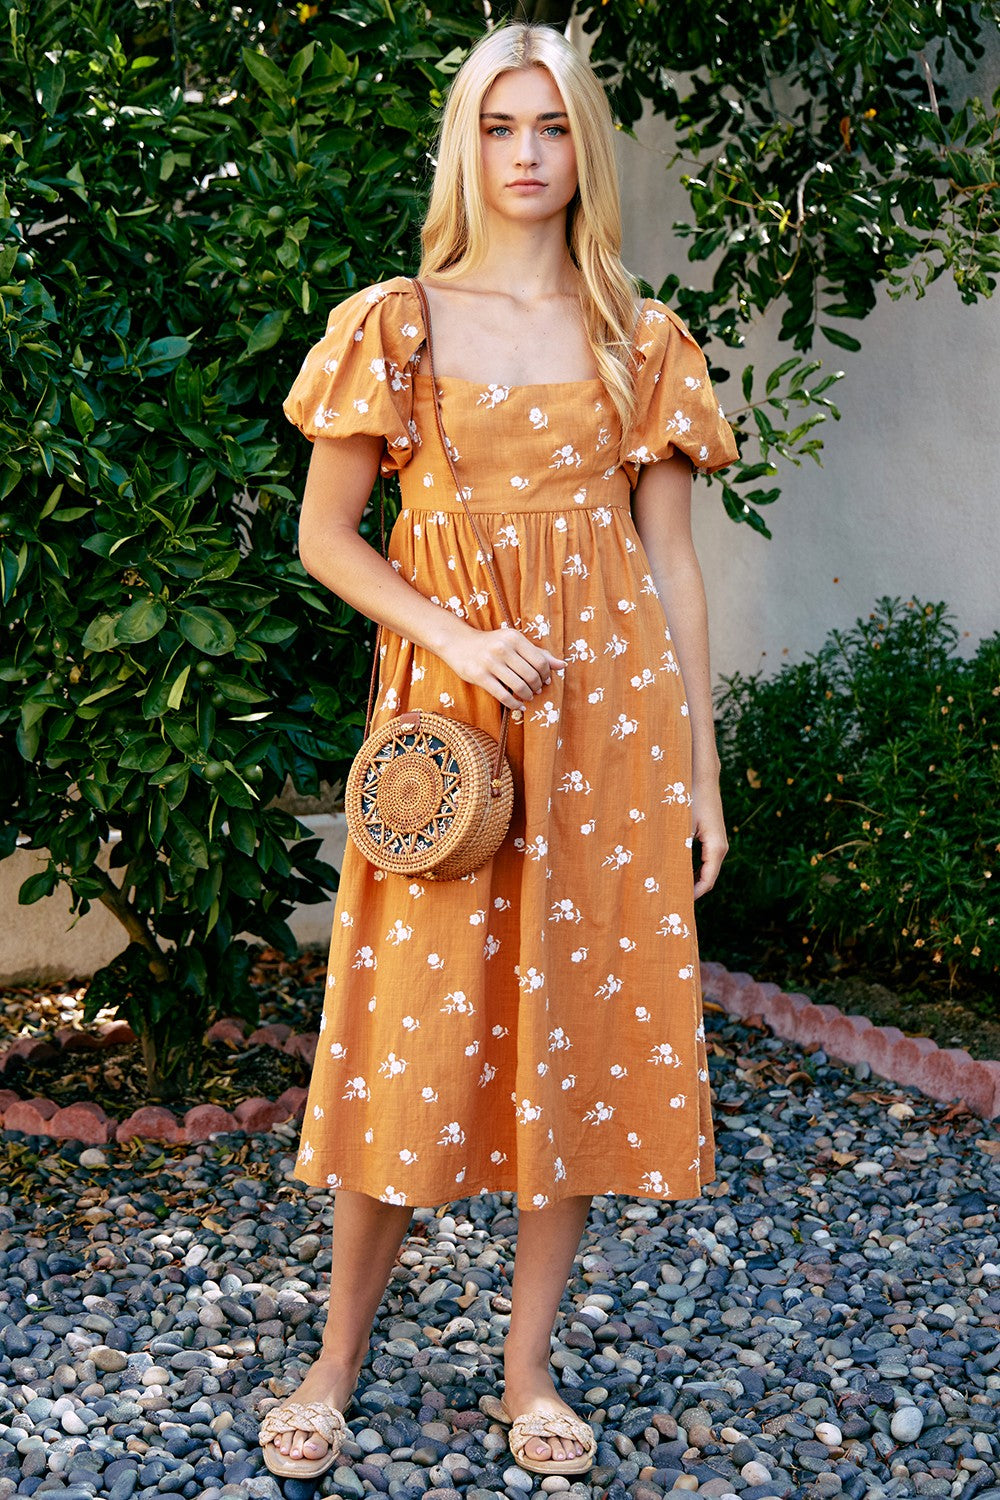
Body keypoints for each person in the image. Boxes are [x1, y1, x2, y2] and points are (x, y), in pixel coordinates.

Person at [260, 17, 738, 1484]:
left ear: (584, 146)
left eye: (550, 128)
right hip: (450, 746)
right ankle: (333, 1363)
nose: (526, 155)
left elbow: (673, 567)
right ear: (467, 143)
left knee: (574, 1057)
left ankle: (529, 1374)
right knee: (410, 1045)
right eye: (498, 127)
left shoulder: (639, 340)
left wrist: (702, 773)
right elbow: (324, 537)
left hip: (609, 741)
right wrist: (457, 641)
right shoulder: (396, 321)